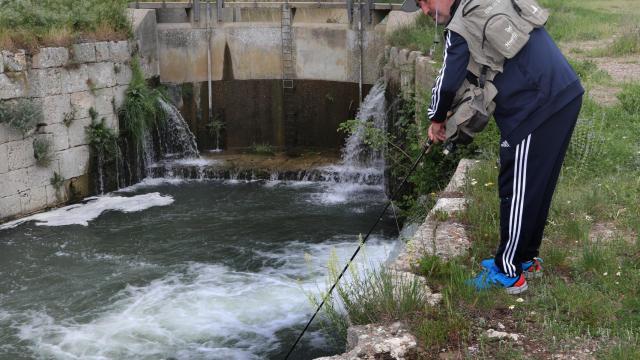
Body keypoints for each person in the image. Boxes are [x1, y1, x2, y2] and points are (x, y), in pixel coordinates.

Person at [400, 0, 584, 294]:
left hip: (536, 106)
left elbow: (448, 82)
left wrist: (436, 119)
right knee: (536, 184)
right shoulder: (484, 2)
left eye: (424, 2)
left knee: (515, 187)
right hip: (564, 92)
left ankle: (508, 271)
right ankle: (525, 259)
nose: (425, 11)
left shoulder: (461, 24)